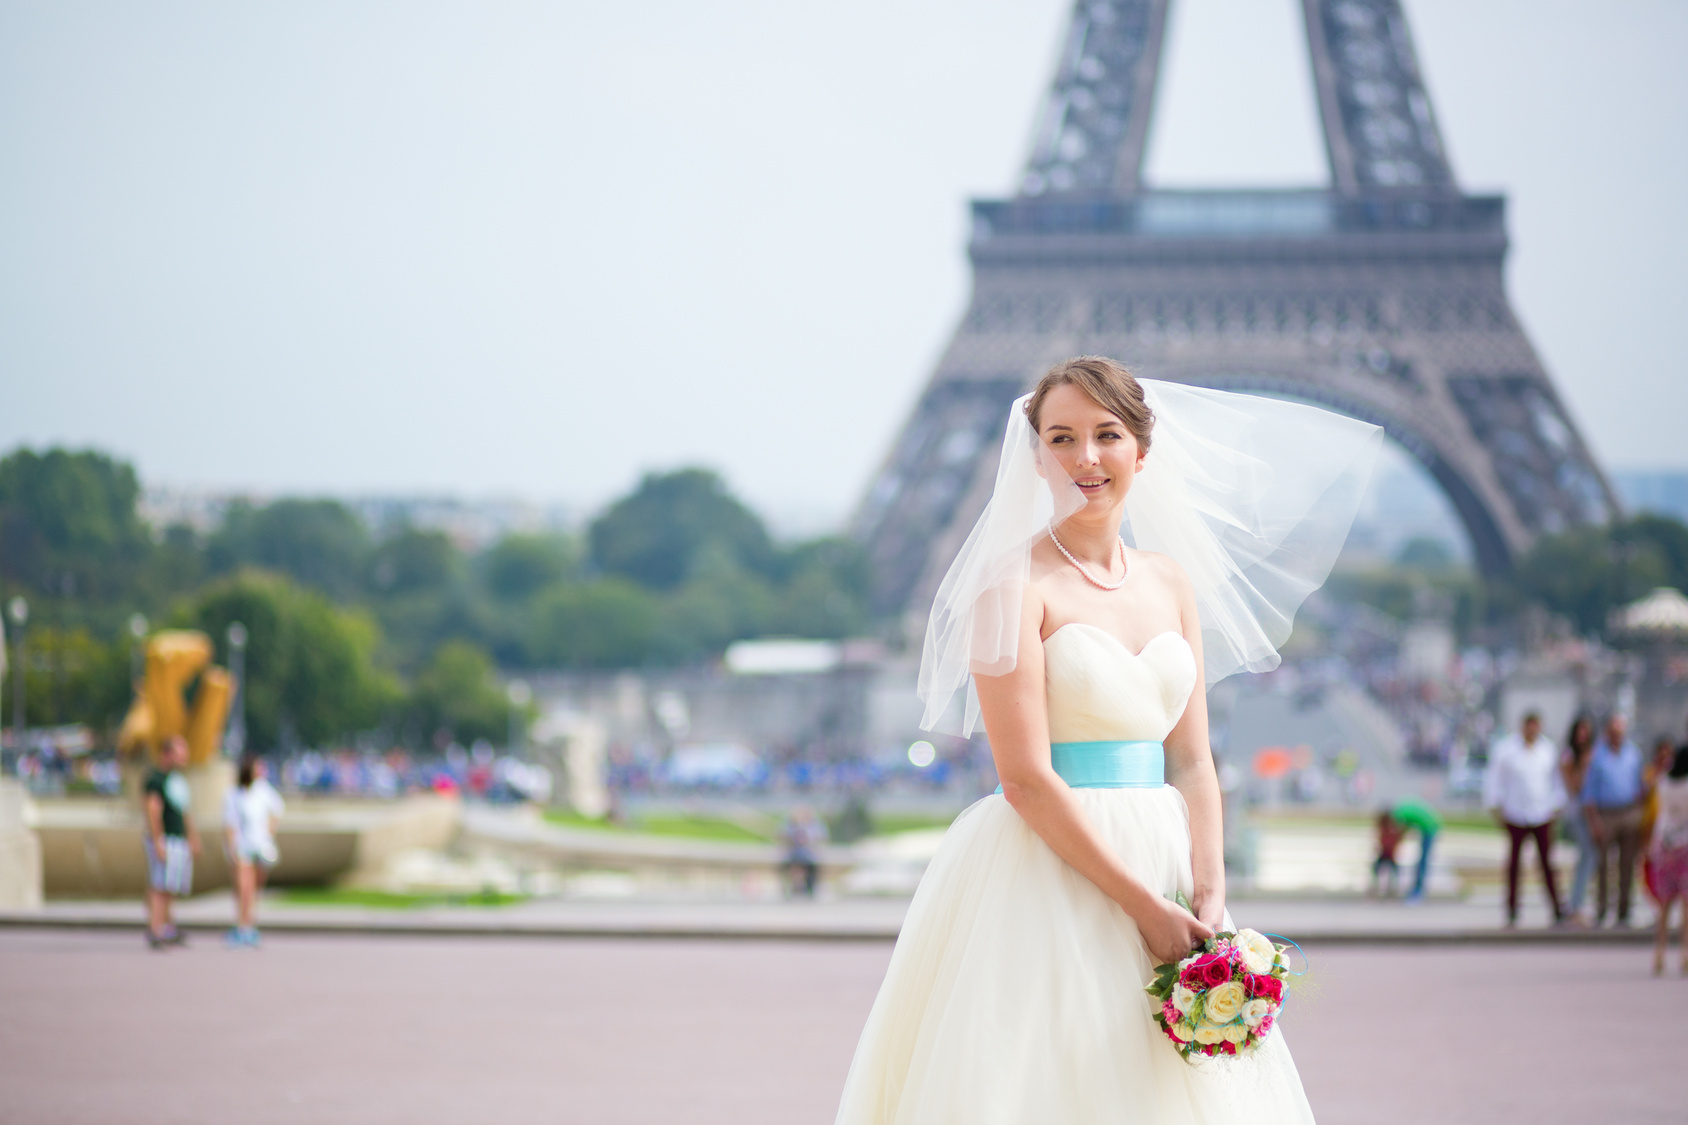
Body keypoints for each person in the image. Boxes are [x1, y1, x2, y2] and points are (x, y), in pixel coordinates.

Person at [834, 358, 1380, 1122]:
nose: (1085, 458)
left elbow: (1191, 759)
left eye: (1106, 435)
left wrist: (1209, 892)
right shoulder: (1009, 583)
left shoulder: (1170, 580)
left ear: (1142, 452)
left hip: (1165, 863)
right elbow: (1022, 776)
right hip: (1051, 866)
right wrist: (1145, 909)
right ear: (1035, 458)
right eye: (1061, 437)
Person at [1482, 711, 1566, 926]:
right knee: (1514, 865)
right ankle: (1512, 909)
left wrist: (1556, 805)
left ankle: (1557, 907)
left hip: (1541, 813)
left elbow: (1556, 781)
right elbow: (1495, 779)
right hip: (1515, 813)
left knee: (1547, 863)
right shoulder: (1507, 750)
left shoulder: (1547, 750)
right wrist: (1496, 806)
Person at [1583, 713, 1645, 926]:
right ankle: (1601, 910)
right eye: (1614, 732)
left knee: (1627, 864)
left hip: (1628, 812)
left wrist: (1639, 815)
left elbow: (1640, 787)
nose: (1617, 735)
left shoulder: (1633, 754)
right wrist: (1594, 821)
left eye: (1620, 732)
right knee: (1602, 865)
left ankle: (1624, 911)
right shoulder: (1598, 756)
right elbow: (1588, 793)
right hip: (1605, 813)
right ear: (1608, 733)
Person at [142, 736, 199, 949]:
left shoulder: (177, 780)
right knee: (160, 885)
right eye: (179, 752)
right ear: (166, 754)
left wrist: (192, 837)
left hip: (178, 839)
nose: (184, 757)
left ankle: (167, 927)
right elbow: (153, 812)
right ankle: (155, 929)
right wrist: (157, 841)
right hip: (165, 839)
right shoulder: (156, 779)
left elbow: (185, 812)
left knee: (170, 885)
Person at [222, 754, 284, 947]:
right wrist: (232, 847)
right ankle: (242, 925)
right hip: (242, 846)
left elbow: (278, 811)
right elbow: (230, 824)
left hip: (260, 846)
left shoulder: (264, 791)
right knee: (244, 888)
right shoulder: (235, 794)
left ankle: (249, 924)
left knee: (254, 889)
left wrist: (268, 833)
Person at [1648, 745, 1688, 975]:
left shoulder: (1663, 783)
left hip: (1665, 845)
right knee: (1686, 905)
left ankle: (1659, 952)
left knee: (1664, 905)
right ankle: (1684, 953)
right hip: (1684, 845)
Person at [1558, 715, 1598, 924]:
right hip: (1577, 813)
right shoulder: (1569, 757)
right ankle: (1575, 905)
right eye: (1579, 732)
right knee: (1588, 855)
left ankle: (1578, 902)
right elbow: (1574, 788)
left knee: (1589, 857)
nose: (1583, 736)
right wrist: (1583, 765)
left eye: (1586, 732)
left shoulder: (1596, 753)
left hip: (1594, 812)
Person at [1391, 796, 1441, 903]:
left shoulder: (1398, 816)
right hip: (1430, 824)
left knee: (1423, 861)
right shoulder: (1400, 810)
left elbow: (1402, 832)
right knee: (1421, 860)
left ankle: (1418, 890)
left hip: (1430, 828)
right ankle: (1417, 888)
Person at [781, 805, 826, 897]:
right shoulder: (790, 826)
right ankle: (795, 886)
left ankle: (808, 886)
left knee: (811, 863)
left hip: (809, 855)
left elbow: (821, 839)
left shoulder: (815, 826)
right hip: (794, 853)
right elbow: (783, 838)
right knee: (793, 863)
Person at [1371, 809, 1404, 897]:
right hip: (1385, 854)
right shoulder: (1385, 829)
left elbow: (1387, 842)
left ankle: (1390, 888)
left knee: (1391, 872)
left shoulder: (1389, 830)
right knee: (1381, 870)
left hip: (1388, 854)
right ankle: (1383, 888)